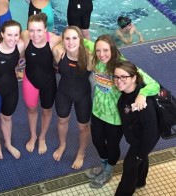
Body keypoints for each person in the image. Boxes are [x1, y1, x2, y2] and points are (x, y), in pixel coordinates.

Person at [86, 34, 160, 189]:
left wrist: (142, 94)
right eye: (98, 50)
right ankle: (104, 164)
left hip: (115, 117)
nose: (101, 54)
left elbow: (154, 84)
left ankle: (108, 170)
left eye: (105, 50)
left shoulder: (121, 65)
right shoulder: (98, 60)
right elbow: (86, 42)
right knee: (97, 141)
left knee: (112, 146)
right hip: (97, 111)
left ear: (113, 50)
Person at [113, 61, 160, 196]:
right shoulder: (127, 94)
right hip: (137, 138)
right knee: (141, 159)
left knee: (129, 166)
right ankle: (140, 181)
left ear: (134, 78)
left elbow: (151, 133)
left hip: (143, 141)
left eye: (124, 77)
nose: (119, 81)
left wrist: (141, 153)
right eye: (116, 77)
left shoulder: (143, 103)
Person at [52, 26, 93, 169]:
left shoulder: (88, 57)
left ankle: (81, 153)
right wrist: (59, 43)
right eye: (67, 38)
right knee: (62, 120)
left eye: (74, 38)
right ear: (63, 40)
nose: (71, 42)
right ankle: (62, 144)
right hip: (63, 93)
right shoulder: (58, 52)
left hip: (83, 95)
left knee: (83, 127)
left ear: (80, 40)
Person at [21, 13, 61, 154]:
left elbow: (76, 42)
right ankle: (33, 135)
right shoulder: (25, 37)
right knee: (31, 109)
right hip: (30, 80)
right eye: (31, 30)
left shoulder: (55, 40)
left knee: (46, 110)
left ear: (45, 29)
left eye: (39, 30)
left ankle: (42, 137)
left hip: (48, 81)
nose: (35, 34)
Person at [0, 20, 25, 160]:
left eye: (16, 35)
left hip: (11, 87)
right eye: (9, 35)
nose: (13, 39)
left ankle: (7, 143)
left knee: (7, 117)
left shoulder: (20, 45)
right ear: (1, 34)